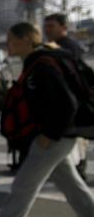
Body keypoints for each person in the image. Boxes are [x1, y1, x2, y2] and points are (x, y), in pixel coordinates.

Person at [0, 22, 94, 217]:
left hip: (56, 137)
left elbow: (67, 104)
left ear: (25, 40)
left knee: (23, 186)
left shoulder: (41, 66)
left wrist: (49, 134)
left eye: (10, 40)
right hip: (62, 135)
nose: (6, 44)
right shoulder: (38, 62)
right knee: (71, 185)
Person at [43, 13, 89, 181]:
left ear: (64, 27)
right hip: (67, 102)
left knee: (74, 143)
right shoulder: (55, 46)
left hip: (72, 103)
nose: (47, 30)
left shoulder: (67, 47)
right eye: (46, 26)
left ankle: (79, 171)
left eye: (51, 26)